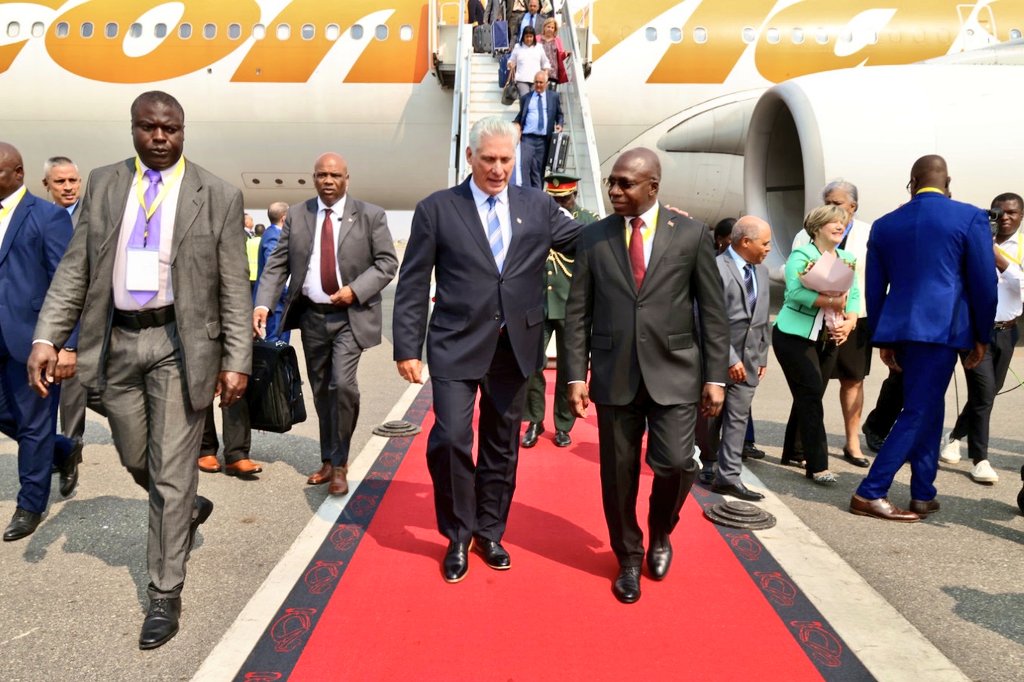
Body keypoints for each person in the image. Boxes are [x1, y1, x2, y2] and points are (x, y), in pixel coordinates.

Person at [28, 91, 252, 649]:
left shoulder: (217, 194)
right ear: (132, 129)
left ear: (183, 131)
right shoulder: (104, 185)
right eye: (148, 127)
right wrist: (47, 336)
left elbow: (233, 288)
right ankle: (184, 506)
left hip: (180, 344)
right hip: (117, 343)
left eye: (169, 129)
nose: (159, 138)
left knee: (172, 472)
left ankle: (164, 592)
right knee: (136, 457)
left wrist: (237, 360)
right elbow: (76, 269)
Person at [393, 116, 580, 583]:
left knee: (502, 445)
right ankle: (456, 533)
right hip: (455, 343)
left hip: (515, 345)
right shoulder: (437, 209)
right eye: (490, 159)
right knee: (452, 439)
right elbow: (414, 281)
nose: (498, 169)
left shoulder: (537, 205)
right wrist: (406, 347)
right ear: (470, 157)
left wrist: (633, 219)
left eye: (506, 159)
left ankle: (489, 531)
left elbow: (584, 241)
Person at [564, 147, 729, 604]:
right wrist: (575, 375)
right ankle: (629, 557)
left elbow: (713, 313)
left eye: (625, 183)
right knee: (618, 475)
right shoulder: (593, 237)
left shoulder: (691, 235)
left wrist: (716, 376)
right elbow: (578, 312)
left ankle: (661, 533)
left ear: (652, 187)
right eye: (612, 183)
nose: (614, 190)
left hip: (676, 372)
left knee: (677, 463)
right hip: (615, 374)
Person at [850, 155, 996, 522]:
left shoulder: (884, 225)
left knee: (930, 406)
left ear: (911, 183)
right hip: (942, 330)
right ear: (948, 182)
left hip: (902, 329)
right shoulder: (969, 217)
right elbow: (983, 282)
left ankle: (922, 491)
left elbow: (874, 288)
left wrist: (884, 339)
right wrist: (982, 334)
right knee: (918, 409)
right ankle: (870, 491)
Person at [254, 153, 397, 496]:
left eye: (335, 175)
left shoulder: (370, 216)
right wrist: (262, 303)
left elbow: (387, 263)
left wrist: (355, 290)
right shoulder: (299, 215)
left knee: (343, 385)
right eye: (321, 175)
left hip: (350, 317)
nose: (328, 181)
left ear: (347, 178)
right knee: (321, 390)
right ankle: (328, 459)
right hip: (312, 316)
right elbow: (278, 265)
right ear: (313, 178)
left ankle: (341, 463)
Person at [0, 142, 78, 541]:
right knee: (8, 417)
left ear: (17, 174)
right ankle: (62, 450)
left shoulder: (46, 217)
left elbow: (68, 284)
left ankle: (30, 504)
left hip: (34, 341)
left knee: (33, 424)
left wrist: (67, 345)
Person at [938, 192, 1024, 484]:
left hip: (1009, 330)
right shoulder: (972, 242)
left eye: (1012, 212)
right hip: (975, 332)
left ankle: (954, 435)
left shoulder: (1021, 247)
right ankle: (980, 459)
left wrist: (997, 257)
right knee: (984, 391)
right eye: (999, 212)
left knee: (987, 392)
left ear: (1021, 216)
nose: (1005, 218)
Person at [772, 205, 861, 486]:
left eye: (843, 222)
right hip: (794, 336)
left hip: (830, 337)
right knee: (810, 395)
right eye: (833, 222)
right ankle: (818, 465)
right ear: (817, 227)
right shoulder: (802, 255)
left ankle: (794, 451)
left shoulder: (847, 258)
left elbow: (855, 293)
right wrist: (834, 302)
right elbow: (795, 292)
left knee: (810, 396)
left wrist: (851, 321)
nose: (840, 226)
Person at [791, 181, 872, 468]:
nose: (831, 207)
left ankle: (852, 442)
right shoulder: (807, 233)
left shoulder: (867, 233)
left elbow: (865, 280)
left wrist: (849, 318)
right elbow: (796, 274)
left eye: (837, 203)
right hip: (814, 319)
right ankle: (799, 446)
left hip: (854, 319)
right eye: (827, 201)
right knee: (812, 383)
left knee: (853, 380)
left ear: (853, 207)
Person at [522, 173, 597, 449]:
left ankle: (563, 425)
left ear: (574, 195)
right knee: (531, 365)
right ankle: (534, 419)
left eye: (564, 199)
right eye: (554, 199)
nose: (559, 204)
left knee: (570, 368)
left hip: (572, 305)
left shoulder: (588, 222)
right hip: (536, 303)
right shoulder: (535, 217)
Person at [42, 155, 99, 496]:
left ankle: (72, 444)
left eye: (73, 181)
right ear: (46, 184)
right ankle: (58, 448)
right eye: (60, 182)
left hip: (83, 317)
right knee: (43, 390)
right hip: (45, 316)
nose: (68, 187)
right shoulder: (39, 218)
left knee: (74, 389)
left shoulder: (93, 218)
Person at [706, 216, 773, 502]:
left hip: (750, 360)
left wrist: (762, 357)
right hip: (719, 357)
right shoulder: (715, 268)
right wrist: (730, 358)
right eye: (765, 243)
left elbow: (762, 320)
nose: (769, 248)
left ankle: (728, 477)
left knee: (738, 419)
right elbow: (710, 319)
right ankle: (706, 463)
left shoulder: (761, 272)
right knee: (710, 418)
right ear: (745, 242)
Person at [512, 70, 562, 189]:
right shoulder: (526, 98)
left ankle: (537, 194)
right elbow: (521, 116)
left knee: (539, 169)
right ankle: (525, 192)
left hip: (543, 140)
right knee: (525, 166)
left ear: (547, 83)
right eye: (536, 82)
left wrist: (560, 123)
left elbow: (559, 114)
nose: (538, 85)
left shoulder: (553, 97)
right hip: (527, 138)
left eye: (541, 82)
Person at [256, 201, 291, 344]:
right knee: (276, 342)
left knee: (279, 342)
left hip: (277, 301)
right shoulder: (274, 236)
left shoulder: (272, 233)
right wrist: (286, 294)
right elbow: (274, 269)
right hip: (276, 301)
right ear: (284, 218)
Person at [507, 27, 551, 99]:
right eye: (527, 36)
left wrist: (545, 74)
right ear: (523, 37)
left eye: (531, 37)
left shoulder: (539, 47)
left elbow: (545, 62)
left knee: (535, 101)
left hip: (536, 81)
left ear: (534, 37)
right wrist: (510, 64)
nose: (529, 39)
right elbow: (511, 60)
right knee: (525, 100)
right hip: (521, 80)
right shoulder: (517, 47)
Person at [538, 17, 565, 86]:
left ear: (555, 30)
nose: (550, 29)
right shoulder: (537, 38)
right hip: (538, 71)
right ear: (544, 27)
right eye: (548, 27)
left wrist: (566, 54)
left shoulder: (557, 40)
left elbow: (560, 56)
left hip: (552, 73)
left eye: (552, 28)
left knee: (550, 94)